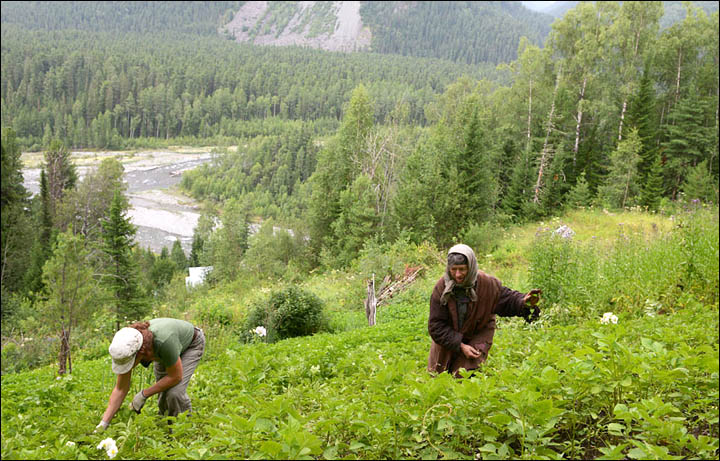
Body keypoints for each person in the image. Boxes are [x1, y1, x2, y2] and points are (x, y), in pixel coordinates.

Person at [428, 244, 541, 377]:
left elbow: (506, 299)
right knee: (439, 375)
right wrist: (460, 345)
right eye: (454, 270)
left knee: (465, 376)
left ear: (471, 267)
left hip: (477, 333)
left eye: (462, 269)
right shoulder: (441, 288)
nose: (458, 275)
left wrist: (523, 302)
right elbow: (436, 326)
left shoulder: (487, 284)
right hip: (448, 337)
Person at [95, 318, 205, 432]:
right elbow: (120, 389)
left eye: (129, 363)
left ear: (140, 353)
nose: (129, 366)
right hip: (166, 347)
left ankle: (183, 430)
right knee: (163, 391)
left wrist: (144, 394)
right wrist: (103, 424)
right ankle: (166, 428)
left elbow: (175, 376)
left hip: (191, 344)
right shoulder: (128, 347)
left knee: (175, 392)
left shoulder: (163, 342)